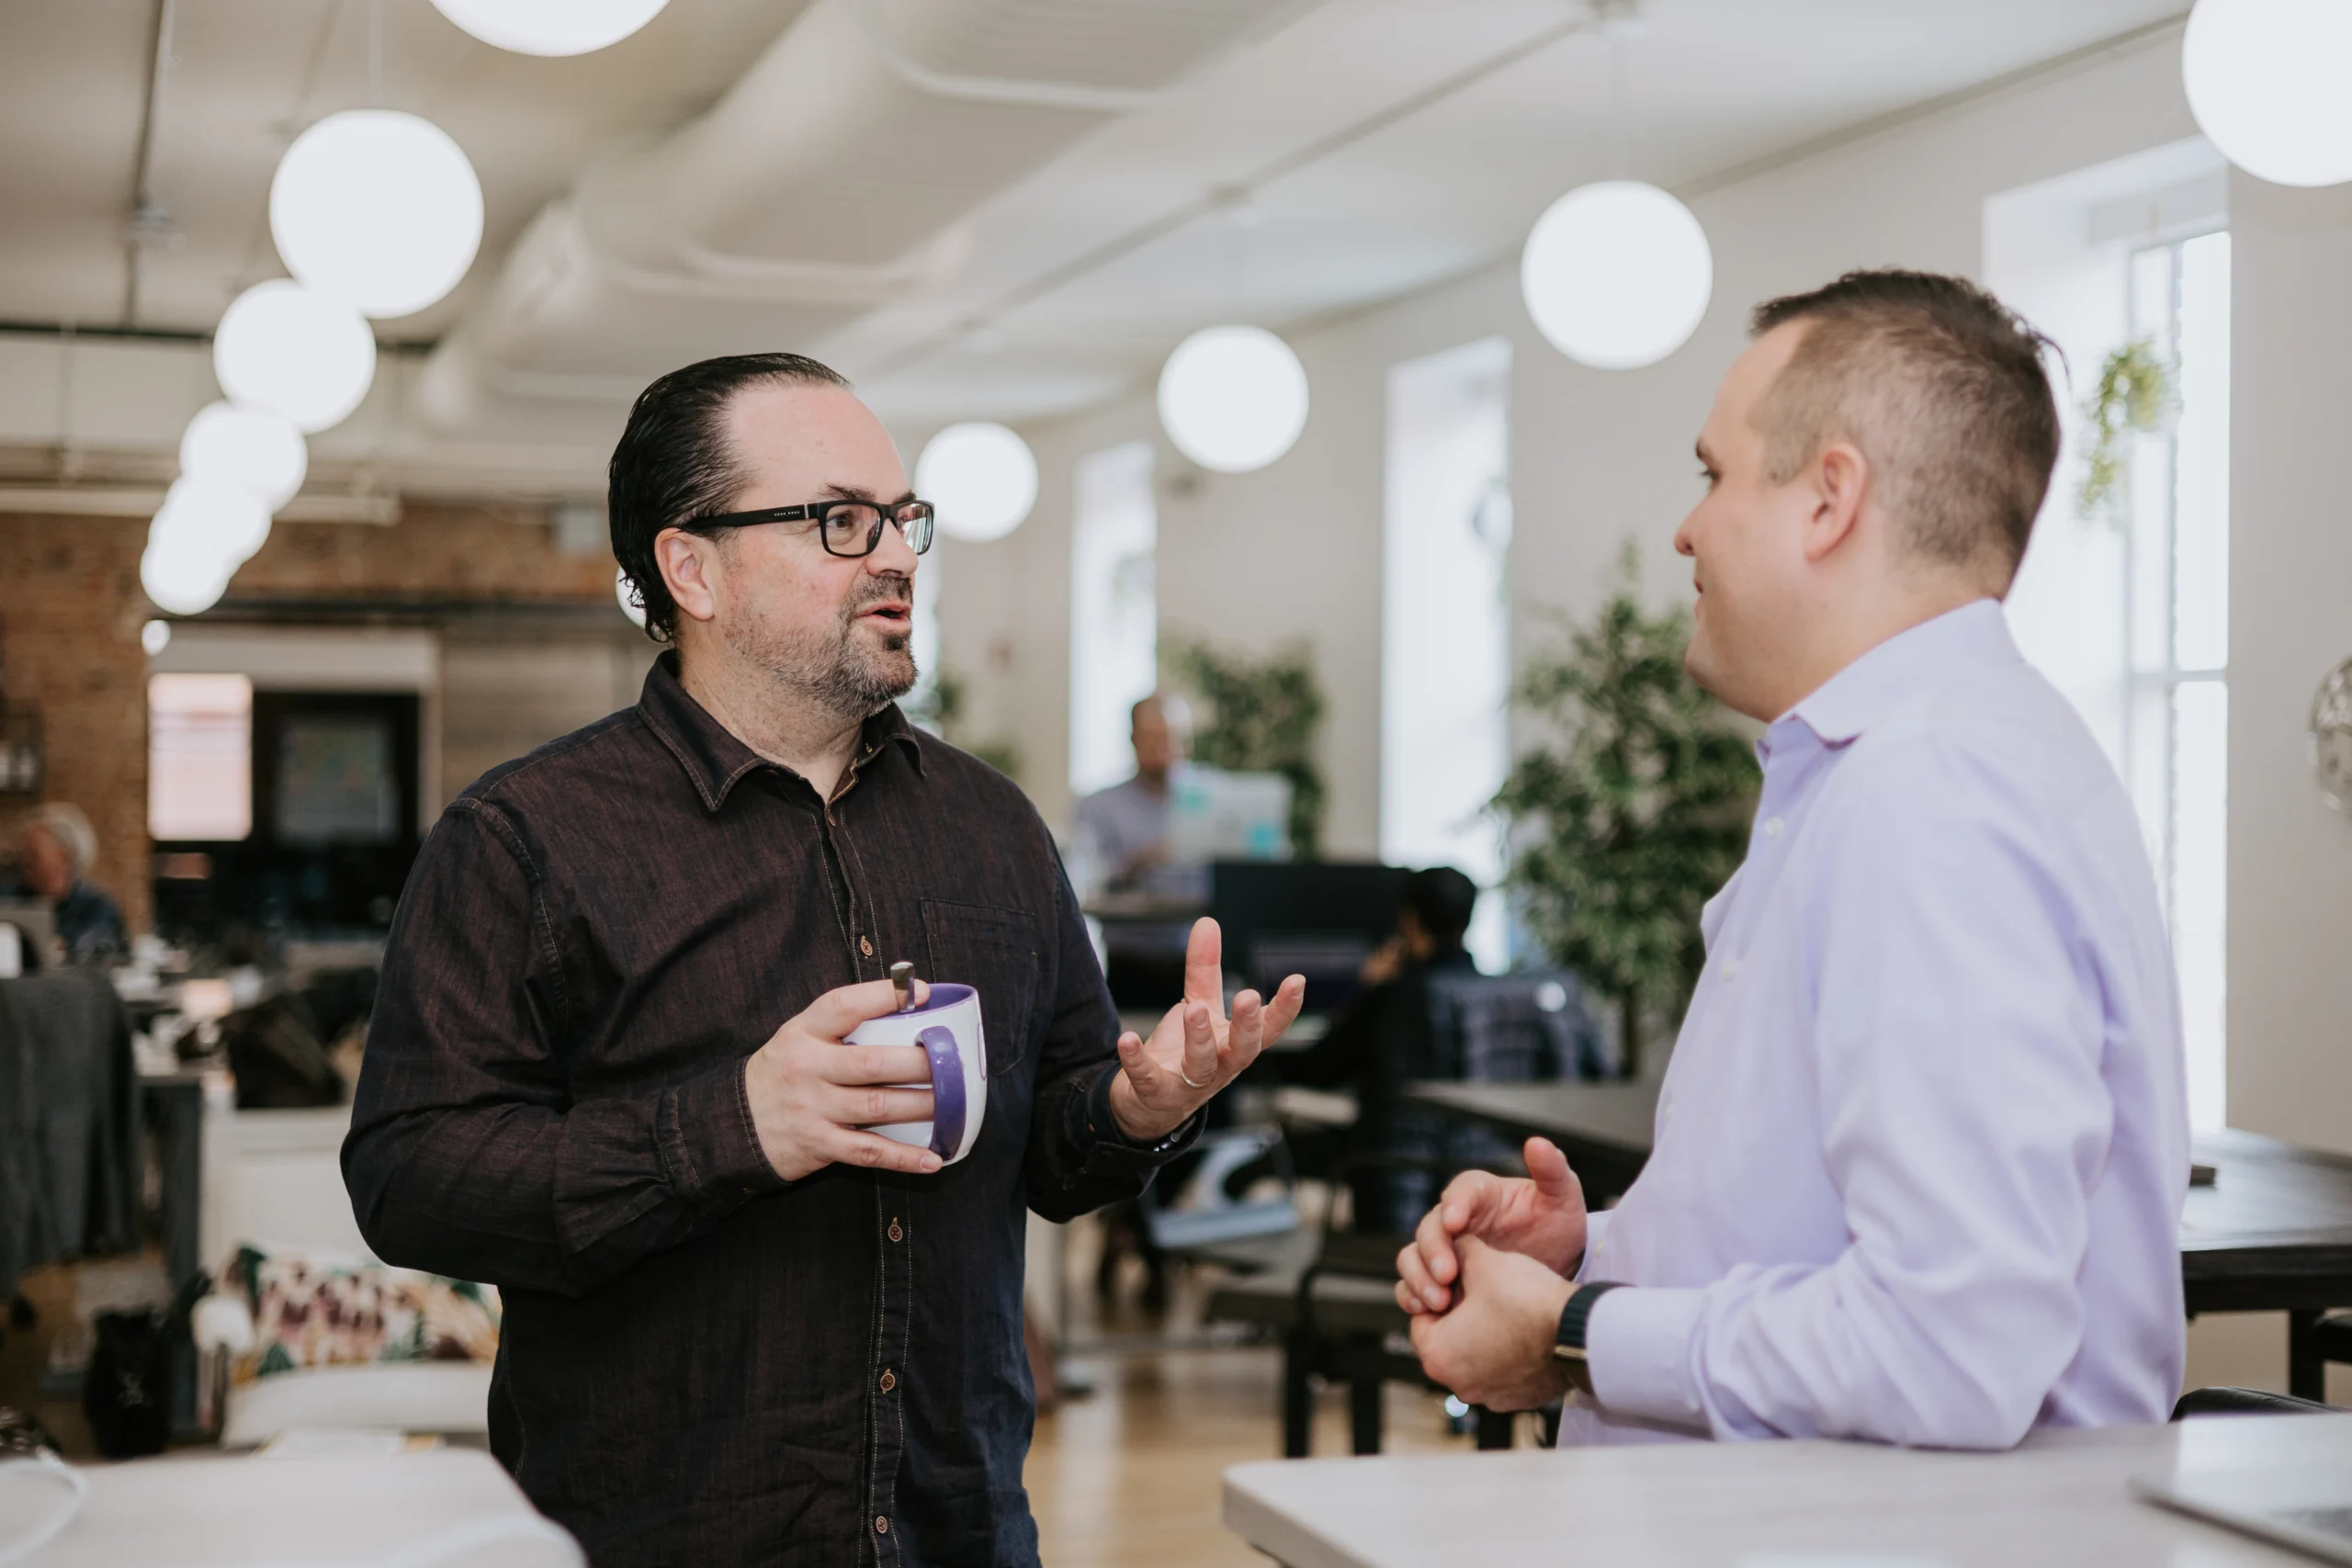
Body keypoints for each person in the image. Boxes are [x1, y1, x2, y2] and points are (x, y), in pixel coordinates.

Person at [343, 352, 1305, 1566]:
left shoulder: (991, 824)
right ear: (690, 564)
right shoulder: (528, 839)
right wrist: (732, 1122)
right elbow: (409, 1176)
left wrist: (1133, 1104)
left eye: (903, 518)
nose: (897, 554)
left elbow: (1056, 1148)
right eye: (843, 521)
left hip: (962, 1530)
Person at [1396, 270, 2188, 1450]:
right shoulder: (1919, 763)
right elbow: (1809, 1228)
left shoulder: (1932, 791)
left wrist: (1575, 1331)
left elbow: (1951, 1347)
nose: (1686, 527)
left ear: (1828, 500)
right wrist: (1596, 1255)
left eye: (1713, 474)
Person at [1276, 866, 1482, 1234]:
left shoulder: (1393, 997)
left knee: (1257, 1159)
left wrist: (1367, 988)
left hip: (1387, 1180)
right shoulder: (1491, 998)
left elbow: (1318, 1070)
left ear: (1409, 919)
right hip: (1472, 1176)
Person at [1072, 694, 1203, 902]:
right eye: (1154, 740)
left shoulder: (1214, 797)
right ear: (1134, 740)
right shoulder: (1098, 806)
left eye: (1172, 739)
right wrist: (1139, 862)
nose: (1164, 752)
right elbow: (1085, 880)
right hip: (1129, 931)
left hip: (1205, 927)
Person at [18, 805, 126, 964]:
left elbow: (89, 960)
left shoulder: (97, 910)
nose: (25, 861)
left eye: (34, 854)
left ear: (64, 855)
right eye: (23, 853)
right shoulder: (15, 900)